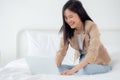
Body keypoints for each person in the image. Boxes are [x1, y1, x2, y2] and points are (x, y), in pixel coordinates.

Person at [55, 0, 111, 75]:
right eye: (66, 18)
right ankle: (77, 69)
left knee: (84, 70)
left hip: (99, 61)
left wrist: (72, 70)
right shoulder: (68, 31)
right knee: (59, 69)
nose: (68, 21)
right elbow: (61, 51)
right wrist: (55, 66)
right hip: (83, 60)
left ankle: (79, 70)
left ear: (79, 14)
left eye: (71, 17)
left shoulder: (91, 26)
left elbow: (92, 52)